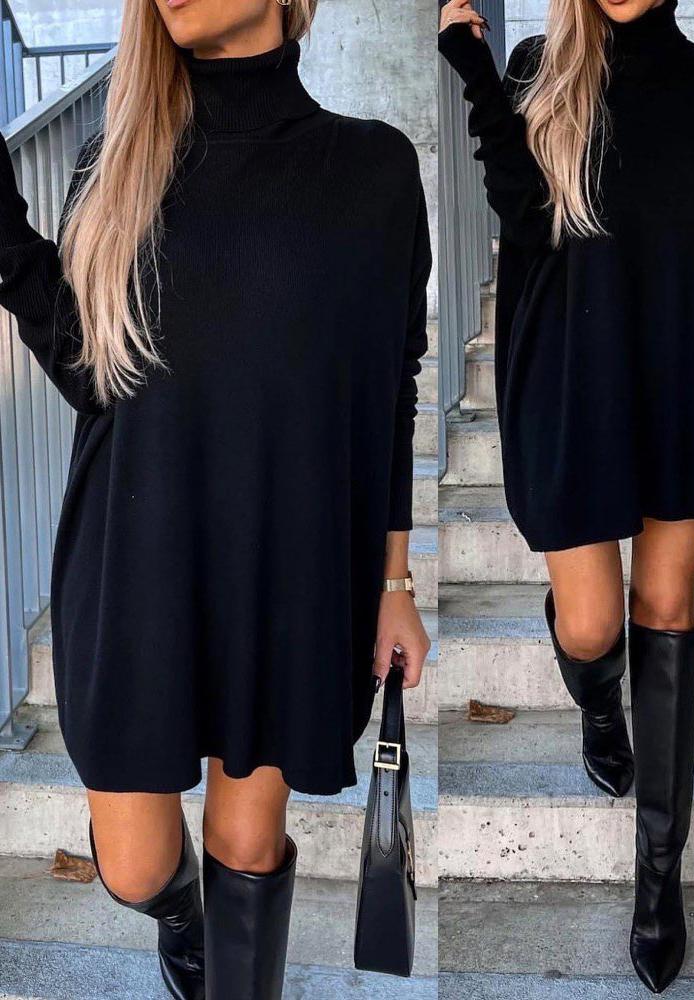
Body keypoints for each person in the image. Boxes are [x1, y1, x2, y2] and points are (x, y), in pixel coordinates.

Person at [0, 1, 431, 997]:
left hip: (288, 561)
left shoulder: (371, 167)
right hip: (134, 552)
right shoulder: (114, 165)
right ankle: (181, 913)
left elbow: (391, 386)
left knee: (248, 839)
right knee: (134, 866)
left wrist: (394, 580)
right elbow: (91, 372)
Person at [438, 0, 694, 992]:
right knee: (593, 625)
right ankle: (601, 706)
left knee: (666, 608)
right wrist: (475, 75)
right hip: (568, 375)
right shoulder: (536, 70)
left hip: (685, 372)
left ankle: (655, 879)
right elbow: (523, 215)